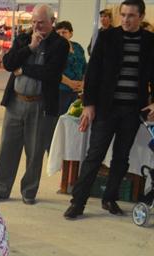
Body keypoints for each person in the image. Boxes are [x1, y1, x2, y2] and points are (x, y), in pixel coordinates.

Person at [64, 0, 154, 219]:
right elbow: (93, 73)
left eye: (131, 15)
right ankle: (78, 202)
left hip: (133, 111)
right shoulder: (106, 37)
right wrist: (88, 104)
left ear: (141, 17)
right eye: (123, 15)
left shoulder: (151, 41)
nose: (126, 19)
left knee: (121, 158)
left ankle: (110, 198)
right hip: (106, 109)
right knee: (94, 155)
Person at [0, 4, 69, 205]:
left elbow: (51, 74)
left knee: (34, 152)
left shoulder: (59, 44)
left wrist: (23, 68)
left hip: (40, 105)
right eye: (34, 22)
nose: (36, 26)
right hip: (15, 102)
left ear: (52, 22)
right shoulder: (24, 38)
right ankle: (1, 188)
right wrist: (30, 48)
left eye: (41, 22)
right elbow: (8, 63)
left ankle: (29, 191)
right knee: (7, 147)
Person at [55, 21, 86, 115]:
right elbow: (54, 71)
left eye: (64, 32)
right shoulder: (55, 49)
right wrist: (70, 83)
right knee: (61, 118)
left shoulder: (77, 47)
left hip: (77, 91)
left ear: (71, 33)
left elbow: (84, 67)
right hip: (61, 90)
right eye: (58, 33)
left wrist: (83, 83)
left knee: (74, 118)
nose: (61, 35)